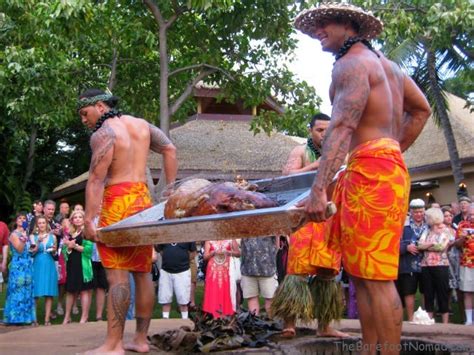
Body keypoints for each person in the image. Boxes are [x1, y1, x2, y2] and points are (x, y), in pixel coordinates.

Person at [295, 3, 431, 352]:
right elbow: (421, 109)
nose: (317, 31)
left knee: (378, 279)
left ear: (348, 24)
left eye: (324, 24)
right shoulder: (390, 67)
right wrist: (393, 149)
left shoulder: (351, 64)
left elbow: (340, 129)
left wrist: (319, 189)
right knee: (364, 276)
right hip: (386, 167)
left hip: (370, 171)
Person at [78, 88, 177, 354]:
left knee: (117, 275)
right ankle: (141, 340)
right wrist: (169, 188)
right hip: (142, 203)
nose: (83, 120)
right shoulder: (141, 125)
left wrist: (89, 219)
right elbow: (169, 148)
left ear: (99, 106)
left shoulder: (104, 134)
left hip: (117, 203)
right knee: (143, 272)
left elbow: (97, 179)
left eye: (84, 113)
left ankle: (113, 345)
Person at [273, 113, 347, 338]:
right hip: (305, 219)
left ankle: (324, 327)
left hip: (330, 220)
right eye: (320, 130)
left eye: (328, 130)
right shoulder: (300, 152)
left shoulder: (340, 153)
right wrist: (316, 165)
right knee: (297, 272)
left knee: (327, 273)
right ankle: (289, 324)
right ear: (310, 131)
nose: (324, 134)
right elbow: (285, 177)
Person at [417, 208, 451, 323]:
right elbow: (419, 245)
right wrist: (431, 243)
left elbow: (441, 247)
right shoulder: (426, 230)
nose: (424, 218)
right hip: (426, 265)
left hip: (440, 265)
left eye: (426, 216)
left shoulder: (444, 230)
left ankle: (445, 323)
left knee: (442, 292)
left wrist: (426, 246)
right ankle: (430, 320)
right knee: (428, 293)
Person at [397, 199, 428, 321]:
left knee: (426, 291)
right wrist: (406, 247)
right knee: (409, 292)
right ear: (411, 212)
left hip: (426, 264)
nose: (419, 214)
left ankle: (425, 317)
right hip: (408, 264)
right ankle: (410, 319)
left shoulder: (429, 225)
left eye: (421, 212)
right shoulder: (403, 226)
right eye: (416, 212)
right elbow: (393, 244)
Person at [3, 213, 36, 325]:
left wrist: (35, 246)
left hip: (27, 265)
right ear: (16, 221)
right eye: (20, 218)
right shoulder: (13, 234)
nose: (22, 220)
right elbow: (20, 249)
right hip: (18, 266)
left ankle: (26, 317)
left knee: (27, 290)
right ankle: (15, 318)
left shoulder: (26, 233)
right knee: (17, 290)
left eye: (24, 218)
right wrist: (24, 239)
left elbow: (29, 251)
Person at [62, 210, 93, 324]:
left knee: (84, 291)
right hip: (72, 265)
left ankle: (84, 317)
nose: (78, 219)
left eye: (80, 217)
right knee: (70, 291)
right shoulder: (70, 234)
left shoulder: (87, 233)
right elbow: (65, 252)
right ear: (72, 220)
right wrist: (69, 248)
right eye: (75, 217)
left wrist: (73, 245)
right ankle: (67, 316)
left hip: (83, 266)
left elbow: (88, 250)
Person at [29, 215, 58, 325]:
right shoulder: (33, 236)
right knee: (35, 293)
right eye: (39, 223)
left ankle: (47, 319)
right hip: (38, 264)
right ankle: (34, 319)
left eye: (43, 223)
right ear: (37, 225)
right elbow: (32, 252)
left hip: (49, 263)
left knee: (49, 292)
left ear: (47, 224)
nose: (41, 225)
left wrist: (54, 251)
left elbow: (55, 253)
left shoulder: (53, 237)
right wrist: (38, 242)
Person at [240, 236, 279, 316]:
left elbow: (277, 245)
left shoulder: (270, 224)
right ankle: (255, 324)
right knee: (252, 297)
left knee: (270, 298)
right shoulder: (242, 224)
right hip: (248, 270)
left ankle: (271, 324)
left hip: (267, 270)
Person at [156, 242, 196, 320]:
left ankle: (184, 320)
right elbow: (160, 251)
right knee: (165, 299)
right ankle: (165, 319)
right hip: (166, 271)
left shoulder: (187, 235)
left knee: (184, 300)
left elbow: (193, 253)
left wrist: (182, 261)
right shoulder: (165, 234)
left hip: (183, 271)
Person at [202, 240, 240, 318]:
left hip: (227, 271)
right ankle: (212, 314)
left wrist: (229, 252)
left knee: (227, 290)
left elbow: (238, 253)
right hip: (213, 271)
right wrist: (212, 253)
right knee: (213, 290)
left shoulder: (230, 239)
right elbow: (205, 257)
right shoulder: (209, 240)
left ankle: (228, 314)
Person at [455, 204, 474, 325]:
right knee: (467, 291)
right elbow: (456, 244)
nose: (472, 217)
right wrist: (462, 238)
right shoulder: (462, 225)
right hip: (467, 262)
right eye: (470, 215)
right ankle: (468, 320)